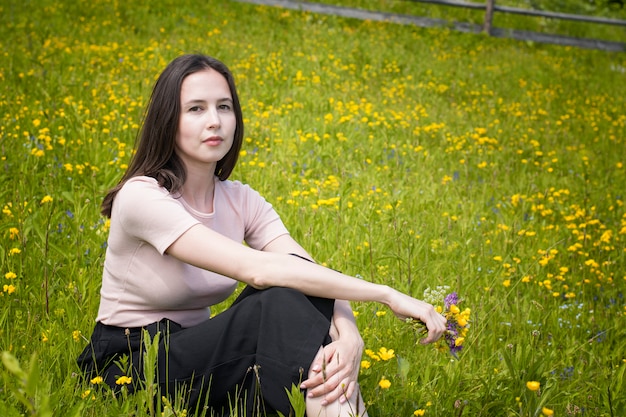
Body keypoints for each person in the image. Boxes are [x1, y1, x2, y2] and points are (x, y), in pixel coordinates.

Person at [77, 53, 446, 417]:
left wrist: (349, 334)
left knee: (297, 290)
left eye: (224, 107)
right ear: (167, 120)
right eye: (195, 109)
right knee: (278, 297)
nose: (214, 122)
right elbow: (260, 271)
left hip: (201, 367)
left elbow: (306, 267)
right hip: (129, 372)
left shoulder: (240, 200)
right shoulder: (142, 197)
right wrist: (387, 295)